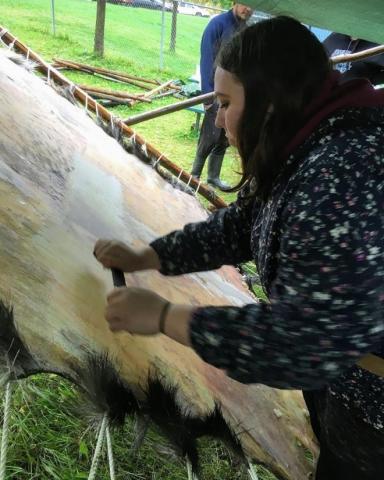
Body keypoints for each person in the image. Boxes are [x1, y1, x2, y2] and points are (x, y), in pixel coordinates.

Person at [94, 17, 384, 480]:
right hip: (349, 382)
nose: (217, 119)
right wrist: (149, 256)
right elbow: (243, 225)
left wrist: (165, 317)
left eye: (225, 103)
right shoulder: (311, 140)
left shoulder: (340, 172)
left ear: (268, 105)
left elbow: (303, 343)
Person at [190, 1, 253, 191]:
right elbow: (206, 61)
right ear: (234, 3)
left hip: (234, 96)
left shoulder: (246, 30)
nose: (247, 9)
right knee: (209, 136)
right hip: (215, 92)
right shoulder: (217, 24)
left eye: (252, 5)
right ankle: (194, 176)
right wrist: (208, 98)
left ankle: (213, 177)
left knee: (224, 138)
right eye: (244, 4)